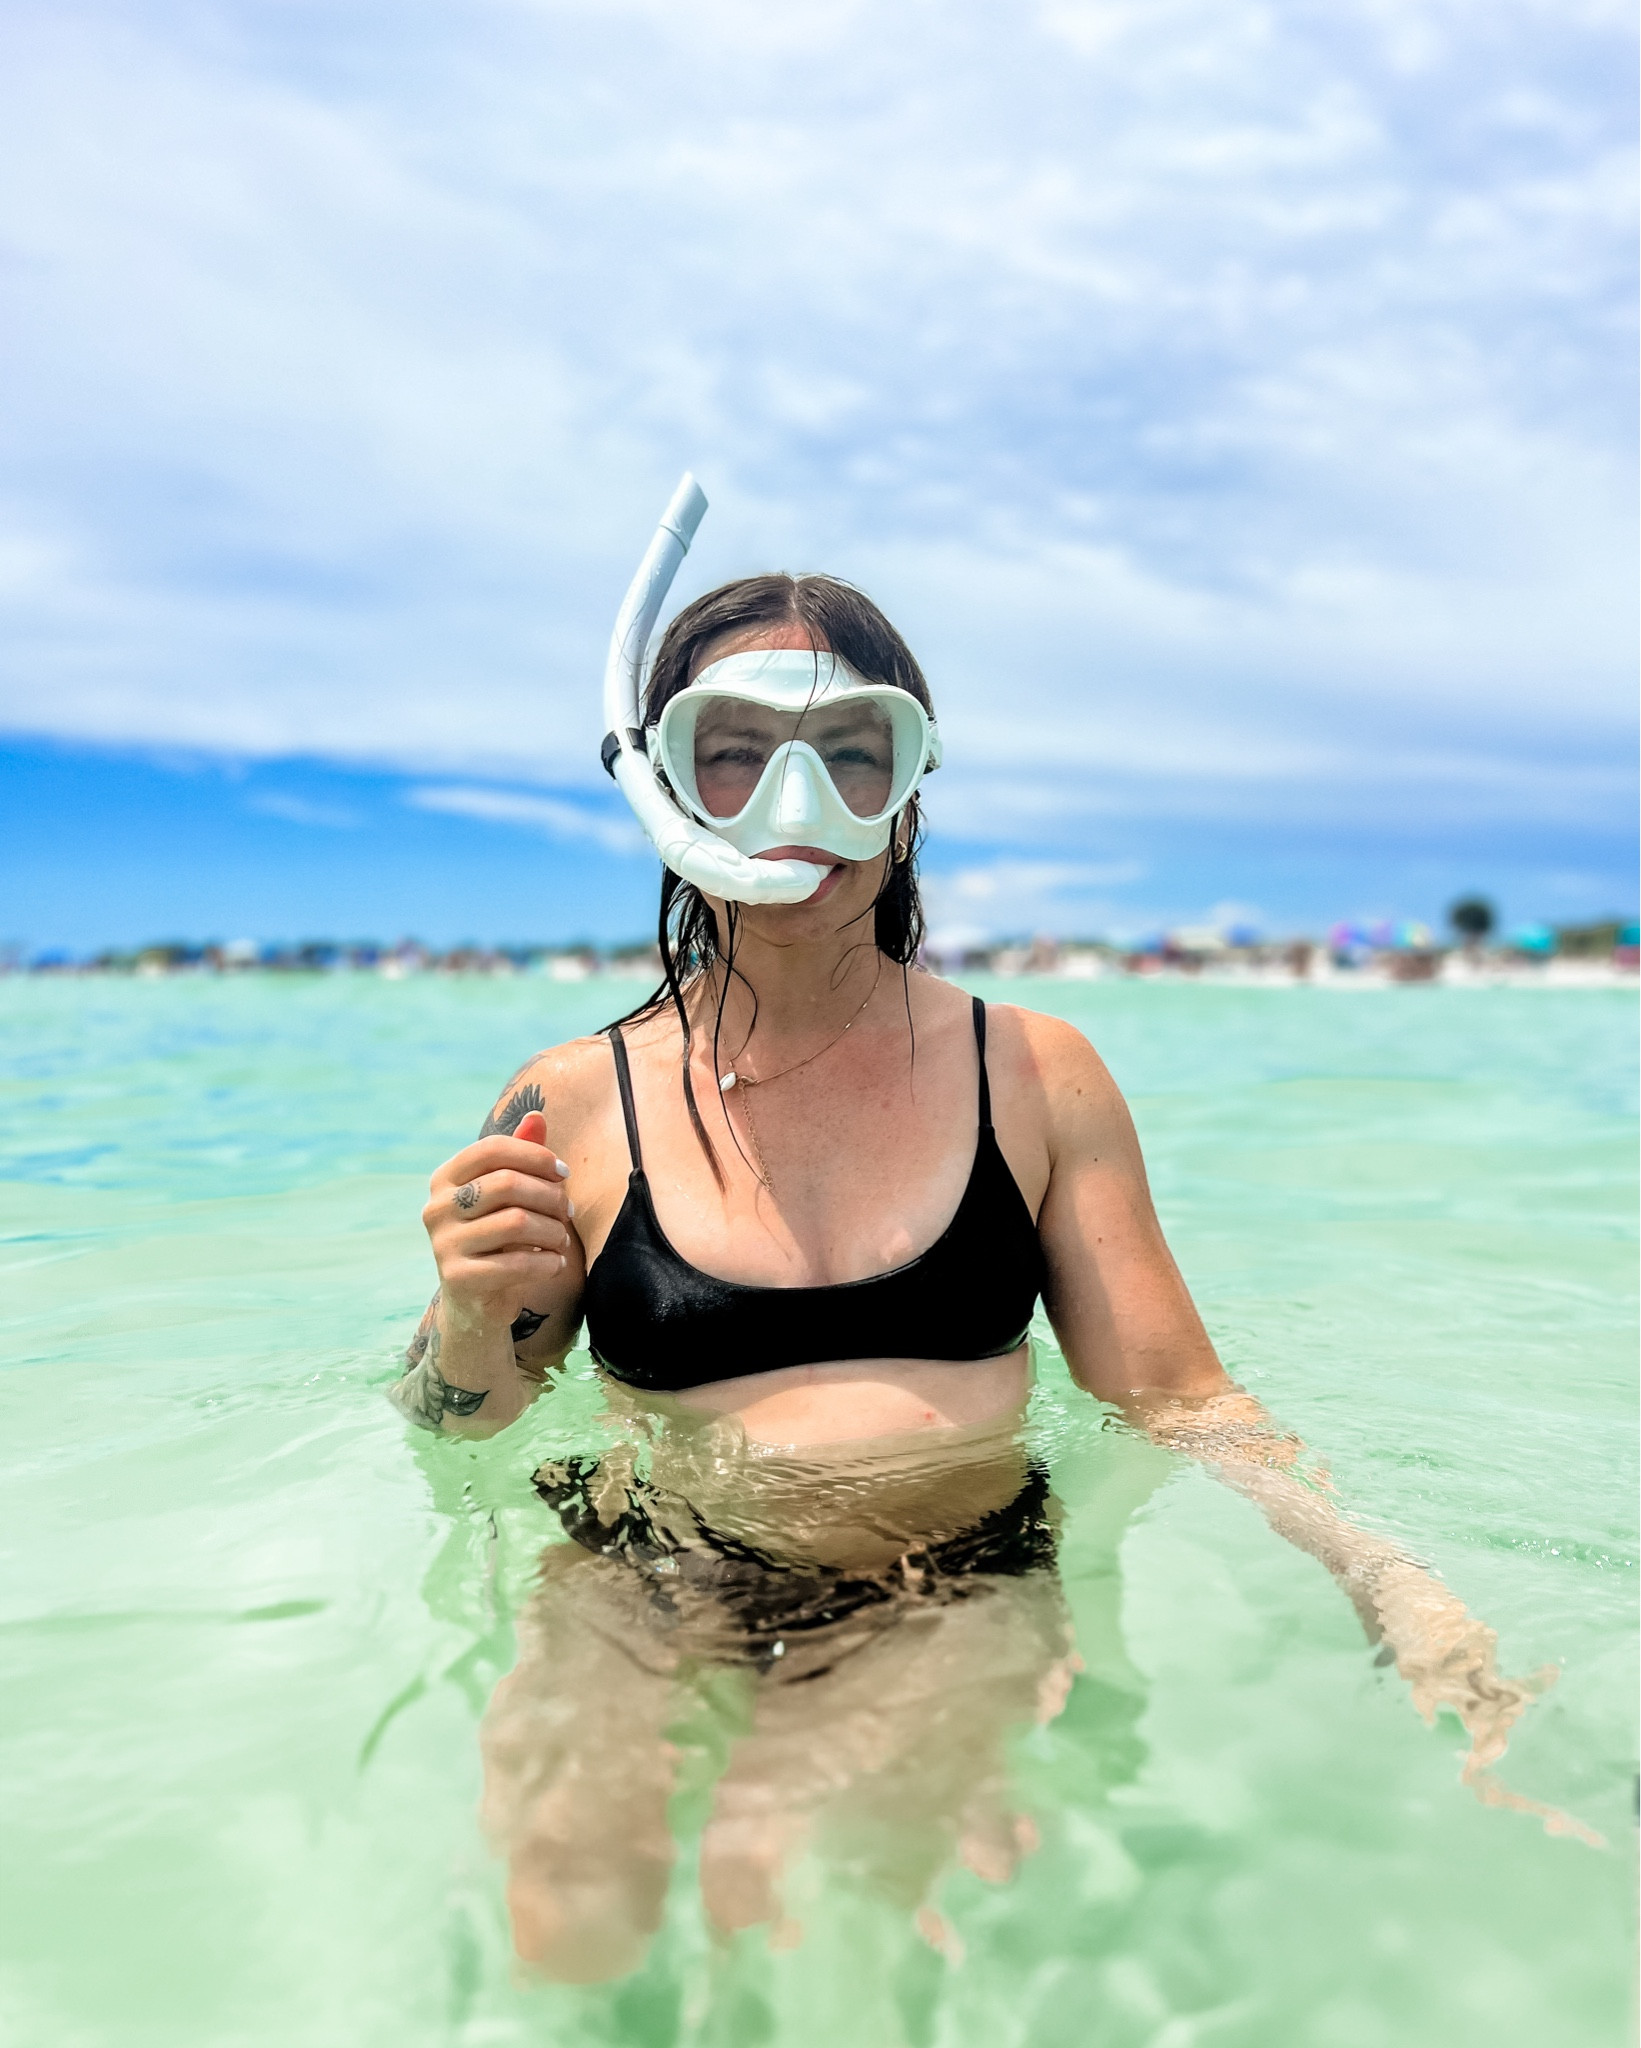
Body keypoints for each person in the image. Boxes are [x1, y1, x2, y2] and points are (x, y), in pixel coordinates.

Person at [393, 560, 1558, 1979]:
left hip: (941, 1579)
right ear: (662, 786)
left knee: (799, 1898)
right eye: (736, 756)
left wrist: (1389, 1579)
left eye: (847, 754)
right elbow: (465, 1421)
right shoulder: (568, 1099)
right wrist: (464, 1320)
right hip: (642, 1570)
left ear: (911, 785)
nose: (793, 808)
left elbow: (1181, 1397)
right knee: (567, 1928)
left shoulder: (1034, 1074)